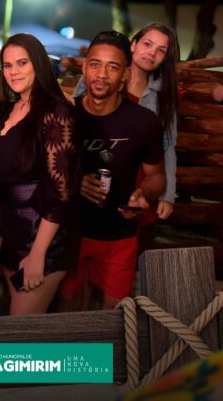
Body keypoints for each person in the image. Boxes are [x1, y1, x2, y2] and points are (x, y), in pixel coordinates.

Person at [59, 31, 166, 311]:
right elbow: (41, 172)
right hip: (71, 232)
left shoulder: (144, 122)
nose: (102, 75)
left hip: (119, 236)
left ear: (125, 74)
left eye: (113, 67)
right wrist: (75, 183)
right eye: (95, 64)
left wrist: (144, 194)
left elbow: (157, 176)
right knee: (68, 311)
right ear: (84, 67)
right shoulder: (66, 116)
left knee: (116, 317)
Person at [0, 33, 80, 316]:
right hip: (11, 235)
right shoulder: (10, 108)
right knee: (19, 324)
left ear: (38, 64)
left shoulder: (55, 112)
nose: (13, 71)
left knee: (20, 330)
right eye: (8, 65)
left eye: (22, 63)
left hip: (41, 240)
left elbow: (60, 192)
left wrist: (38, 253)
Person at [72, 23, 178, 220]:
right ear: (134, 44)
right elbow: (73, 119)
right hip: (96, 169)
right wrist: (75, 178)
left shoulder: (163, 95)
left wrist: (167, 195)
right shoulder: (99, 79)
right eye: (147, 44)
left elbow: (168, 145)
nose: (151, 53)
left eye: (161, 50)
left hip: (142, 175)